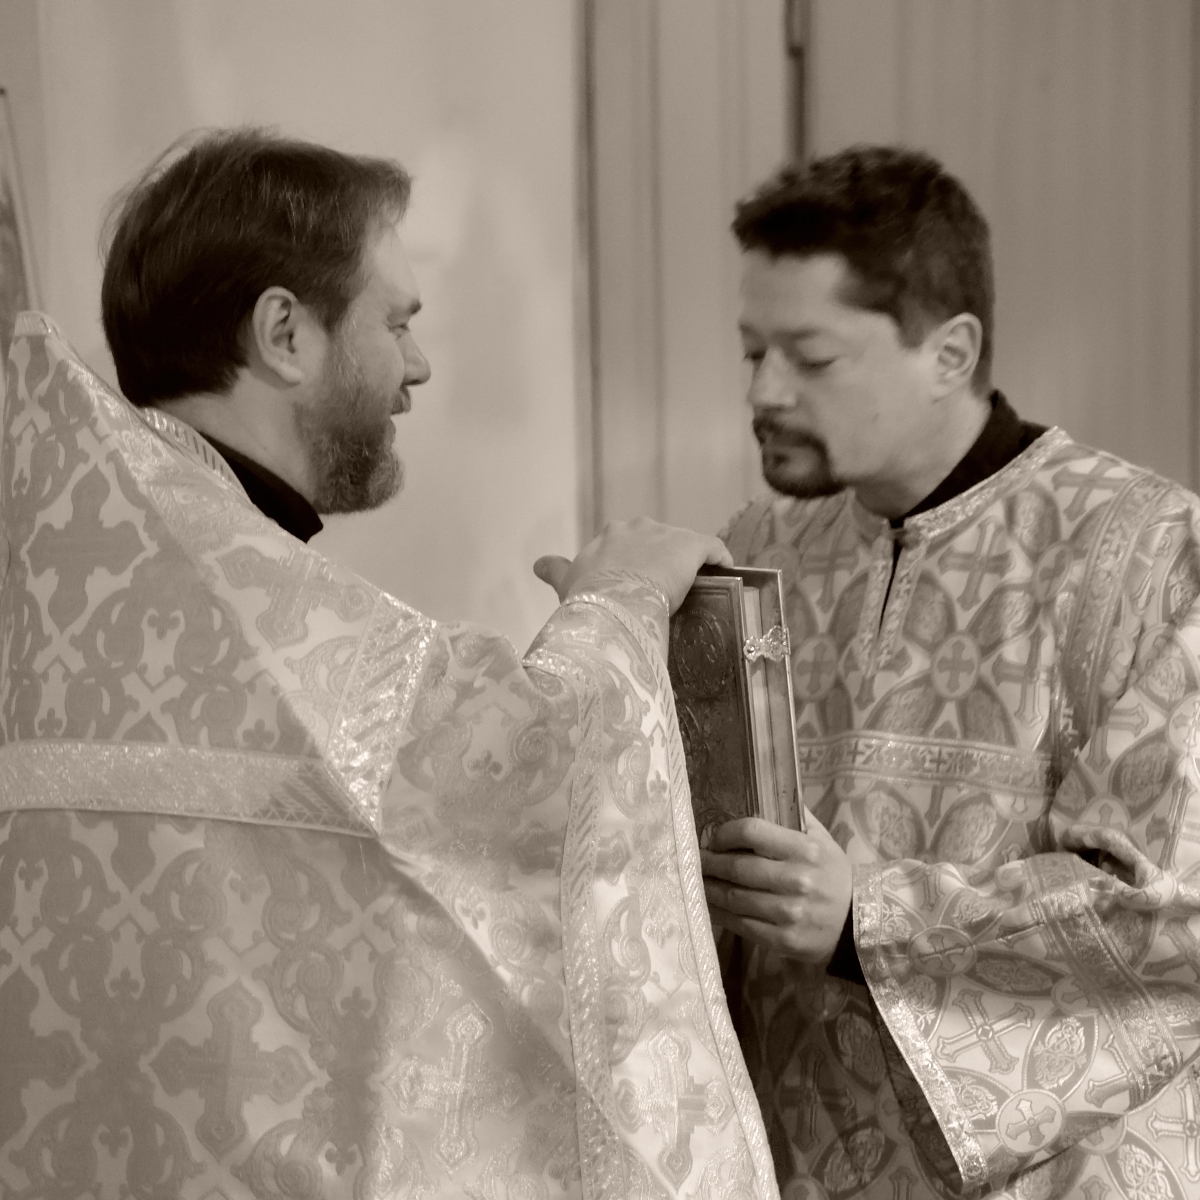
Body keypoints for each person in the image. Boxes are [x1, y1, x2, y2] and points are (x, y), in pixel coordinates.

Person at [0, 129, 780, 1200]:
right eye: (398, 321)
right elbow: (519, 778)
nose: (418, 365)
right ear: (285, 333)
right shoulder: (237, 599)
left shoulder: (71, 569)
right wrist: (621, 601)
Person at [703, 145, 1200, 1200]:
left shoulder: (1147, 551)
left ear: (950, 351)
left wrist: (864, 919)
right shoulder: (754, 553)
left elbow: (1169, 911)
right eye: (752, 352)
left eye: (811, 358)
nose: (763, 391)